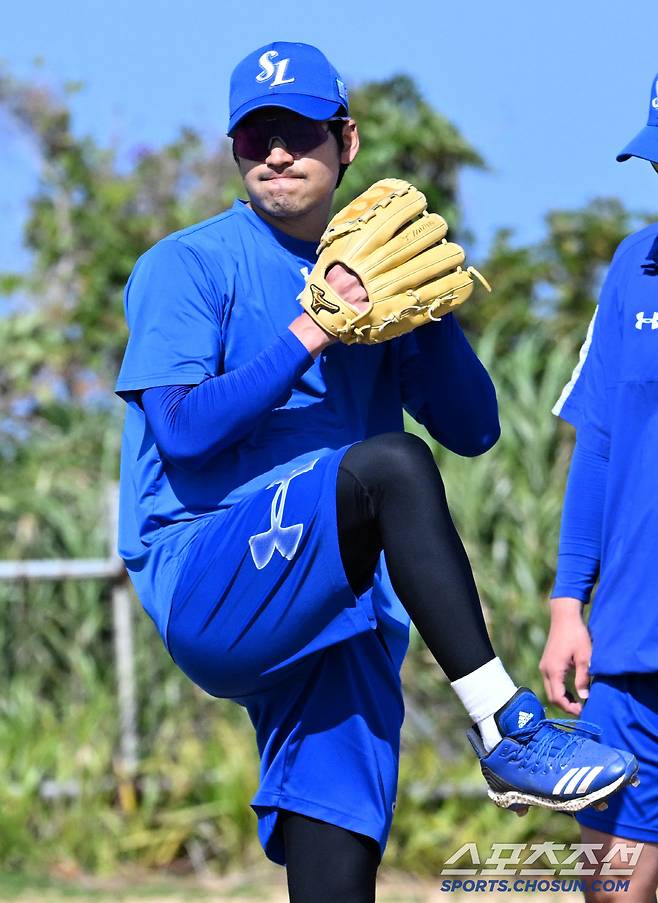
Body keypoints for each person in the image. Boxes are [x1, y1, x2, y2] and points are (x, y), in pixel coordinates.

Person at [116, 41, 637, 903]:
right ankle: (505, 726)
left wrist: (419, 311)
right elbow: (179, 431)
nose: (277, 152)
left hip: (341, 612)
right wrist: (313, 329)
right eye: (255, 136)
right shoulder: (188, 263)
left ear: (345, 142)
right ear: (235, 148)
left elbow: (475, 430)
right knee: (392, 464)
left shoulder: (372, 270)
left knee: (339, 868)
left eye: (299, 132)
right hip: (211, 572)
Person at [540, 72, 658, 903]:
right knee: (611, 889)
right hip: (629, 645)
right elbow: (602, 446)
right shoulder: (633, 267)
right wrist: (566, 604)